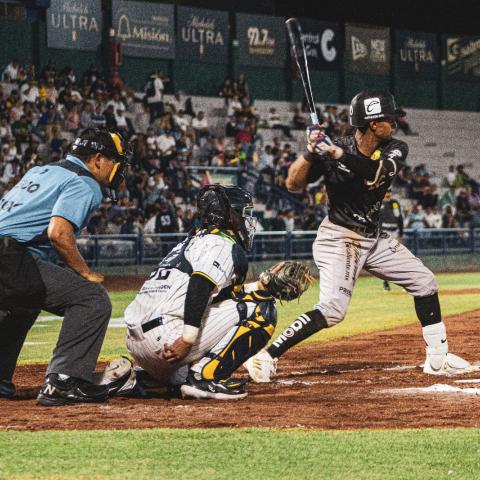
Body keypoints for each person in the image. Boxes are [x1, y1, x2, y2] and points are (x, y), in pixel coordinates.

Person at [245, 90, 473, 383]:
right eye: (389, 118)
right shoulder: (332, 149)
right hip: (339, 237)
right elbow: (292, 183)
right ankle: (267, 355)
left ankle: (438, 360)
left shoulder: (394, 147)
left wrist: (336, 154)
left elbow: (376, 173)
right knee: (332, 310)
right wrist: (310, 152)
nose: (395, 122)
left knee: (425, 282)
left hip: (373, 239)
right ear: (374, 124)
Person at [0, 127, 132, 405]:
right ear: (98, 159)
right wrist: (83, 272)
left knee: (23, 302)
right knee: (92, 299)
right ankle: (65, 381)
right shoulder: (85, 182)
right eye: (116, 161)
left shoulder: (40, 171)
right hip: (10, 256)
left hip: (10, 253)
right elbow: (58, 232)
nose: (119, 170)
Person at [112, 185, 277, 400]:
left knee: (181, 376)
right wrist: (187, 340)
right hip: (168, 340)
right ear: (229, 215)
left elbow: (216, 297)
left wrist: (260, 284)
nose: (247, 220)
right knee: (262, 309)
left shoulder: (190, 242)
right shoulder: (221, 244)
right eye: (243, 212)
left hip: (138, 345)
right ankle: (206, 378)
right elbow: (199, 285)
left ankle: (142, 380)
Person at [378, 189, 403, 291]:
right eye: (386, 192)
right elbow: (377, 219)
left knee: (399, 258)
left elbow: (399, 217)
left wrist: (401, 231)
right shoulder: (379, 204)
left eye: (389, 192)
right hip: (384, 232)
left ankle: (402, 282)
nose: (388, 194)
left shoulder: (395, 203)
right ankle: (386, 283)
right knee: (385, 258)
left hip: (395, 232)